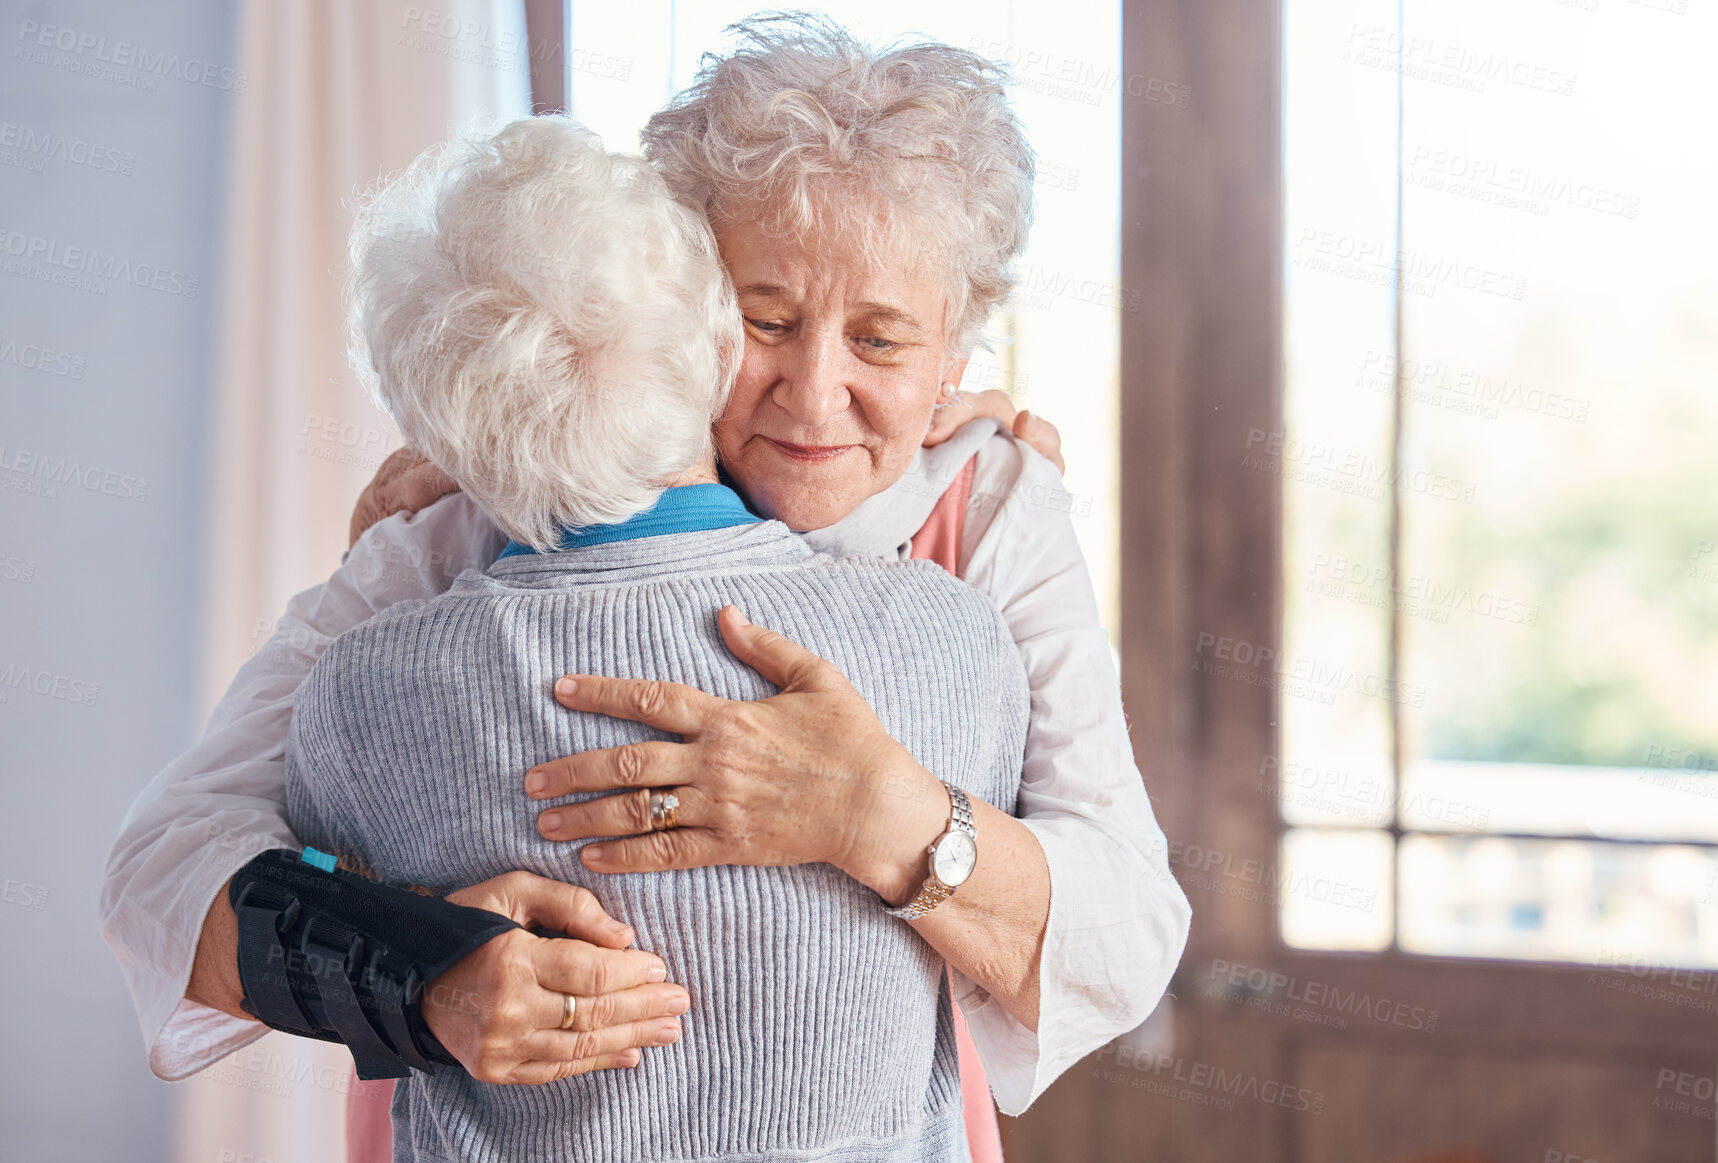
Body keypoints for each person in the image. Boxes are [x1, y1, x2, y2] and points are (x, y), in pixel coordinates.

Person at [100, 10, 1190, 1145]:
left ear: (956, 356)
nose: (812, 397)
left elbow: (1125, 935)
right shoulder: (468, 516)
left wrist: (879, 811)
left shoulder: (994, 510)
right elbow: (160, 868)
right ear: (684, 303)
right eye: (765, 321)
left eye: (880, 343)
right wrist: (415, 967)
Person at [284, 113, 1031, 1161]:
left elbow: (296, 886)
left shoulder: (362, 688)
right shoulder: (951, 633)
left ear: (444, 429)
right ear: (713, 340)